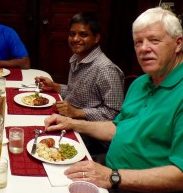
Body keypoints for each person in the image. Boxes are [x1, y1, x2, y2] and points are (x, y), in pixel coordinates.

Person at [44, 7, 183, 193]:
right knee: (49, 182)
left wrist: (113, 177)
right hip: (113, 174)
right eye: (138, 42)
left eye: (154, 40)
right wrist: (73, 124)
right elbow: (119, 128)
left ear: (178, 43)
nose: (144, 49)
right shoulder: (142, 82)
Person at [36, 12, 124, 155]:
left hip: (94, 138)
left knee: (42, 143)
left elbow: (114, 114)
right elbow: (77, 92)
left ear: (96, 38)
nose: (75, 39)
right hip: (71, 121)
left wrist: (77, 112)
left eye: (83, 35)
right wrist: (56, 87)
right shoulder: (76, 59)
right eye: (72, 34)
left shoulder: (105, 69)